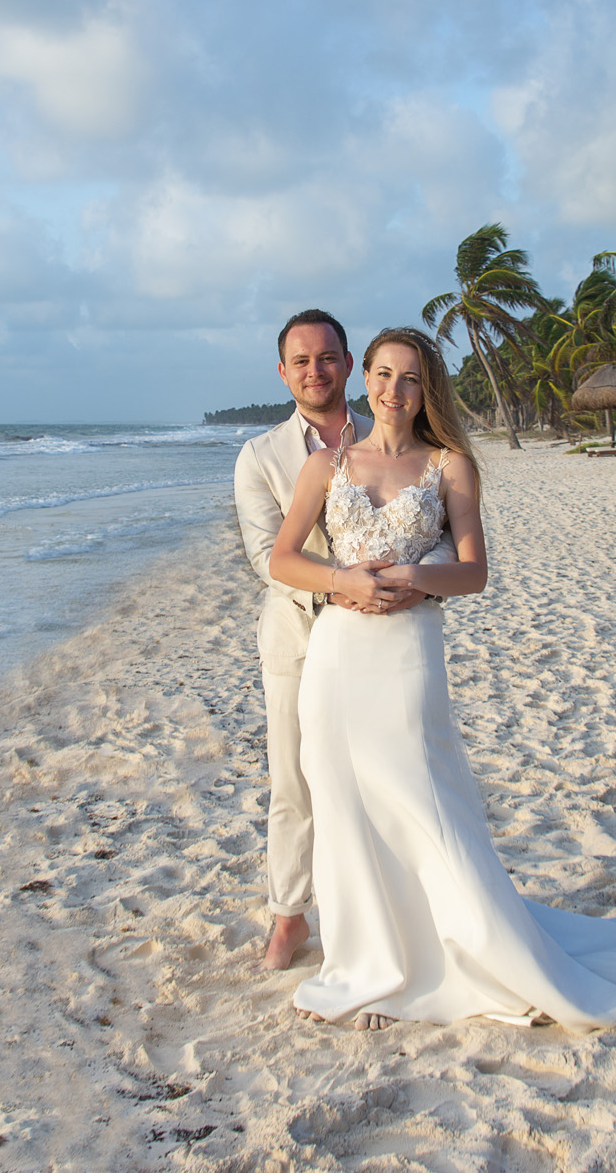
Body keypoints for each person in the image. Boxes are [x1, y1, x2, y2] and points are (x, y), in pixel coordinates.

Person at [269, 327, 616, 1032]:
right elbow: (281, 559)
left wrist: (413, 576)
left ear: (429, 390)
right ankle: (370, 961)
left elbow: (475, 572)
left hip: (405, 654)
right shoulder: (325, 468)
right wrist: (341, 581)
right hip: (337, 657)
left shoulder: (450, 465)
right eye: (385, 375)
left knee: (422, 799)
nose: (395, 391)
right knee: (345, 808)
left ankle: (472, 951)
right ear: (364, 378)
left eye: (412, 379)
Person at [231, 310, 456, 972]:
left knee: (390, 777)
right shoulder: (260, 456)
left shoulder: (390, 424)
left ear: (348, 364)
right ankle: (289, 915)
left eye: (327, 358)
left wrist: (414, 583)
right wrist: (338, 588)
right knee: (297, 780)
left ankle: (389, 912)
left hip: (391, 639)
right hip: (302, 641)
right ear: (282, 372)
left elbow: (436, 524)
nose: (315, 370)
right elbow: (261, 554)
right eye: (301, 361)